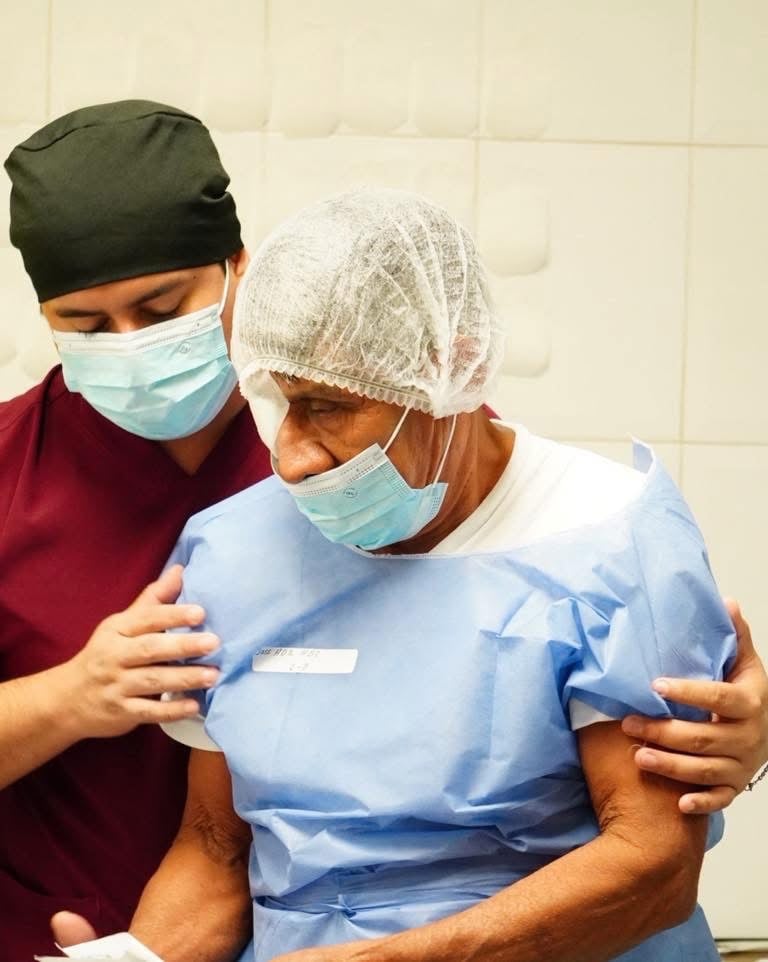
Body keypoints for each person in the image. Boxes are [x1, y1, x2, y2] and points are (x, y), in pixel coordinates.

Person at [54, 188, 768, 962]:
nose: (291, 457)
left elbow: (653, 867)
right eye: (274, 402)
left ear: (452, 368)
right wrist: (140, 958)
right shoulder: (232, 553)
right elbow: (215, 850)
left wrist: (392, 960)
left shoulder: (607, 539)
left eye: (327, 406)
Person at [0, 100, 272, 961]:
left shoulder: (350, 447)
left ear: (236, 266)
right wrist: (72, 696)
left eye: (161, 309)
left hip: (309, 935)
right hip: (48, 937)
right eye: (84, 324)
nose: (129, 345)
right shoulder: (9, 466)